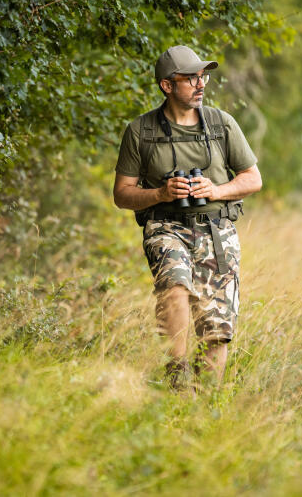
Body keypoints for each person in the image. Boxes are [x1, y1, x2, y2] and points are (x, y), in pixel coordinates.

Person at [112, 45, 262, 389]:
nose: (200, 84)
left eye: (202, 76)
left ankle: (203, 407)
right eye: (191, 78)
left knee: (217, 330)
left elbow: (253, 179)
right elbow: (122, 194)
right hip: (166, 226)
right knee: (175, 287)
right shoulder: (141, 131)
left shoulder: (222, 124)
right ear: (167, 85)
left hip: (217, 231)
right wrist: (161, 194)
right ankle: (176, 380)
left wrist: (215, 190)